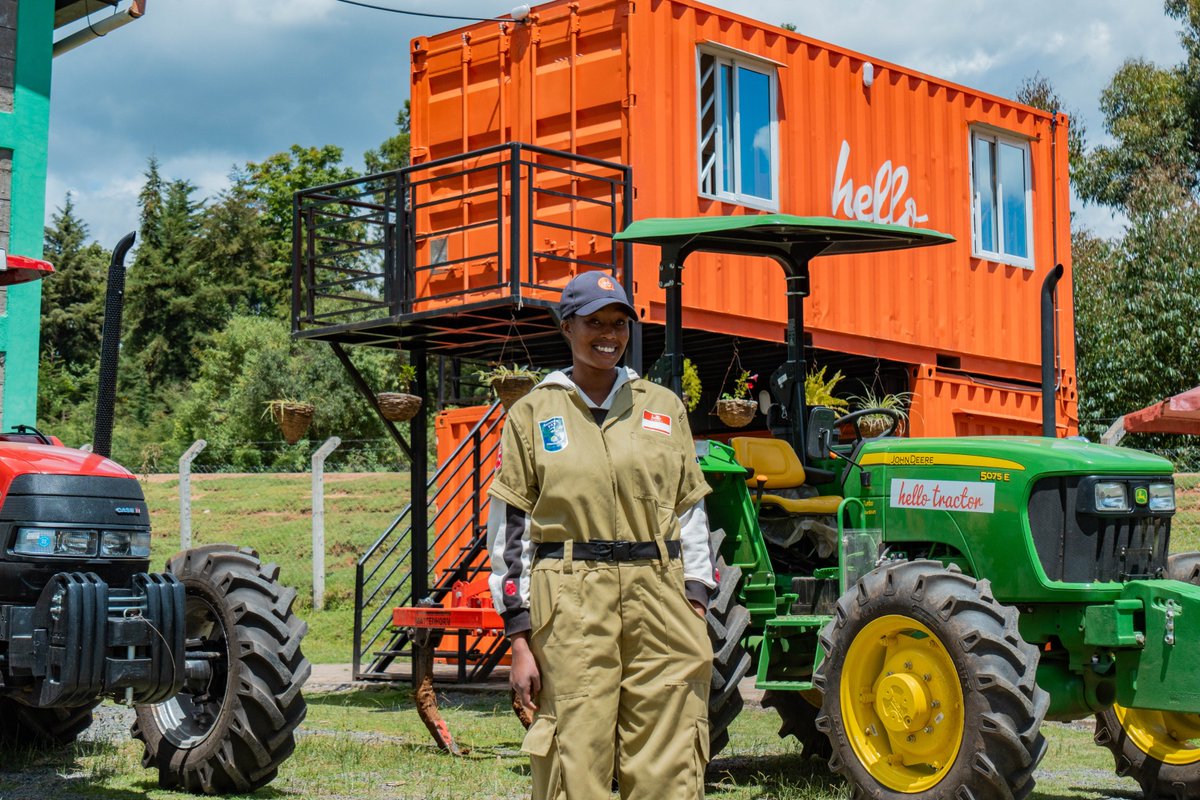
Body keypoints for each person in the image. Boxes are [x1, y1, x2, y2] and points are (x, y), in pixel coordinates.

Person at [486, 270, 718, 800]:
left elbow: (690, 511)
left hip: (661, 593)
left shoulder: (662, 406)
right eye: (594, 322)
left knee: (671, 747)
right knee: (575, 747)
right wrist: (519, 636)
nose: (608, 334)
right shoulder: (531, 413)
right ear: (567, 328)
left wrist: (697, 601)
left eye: (619, 323)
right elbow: (510, 531)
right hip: (569, 596)